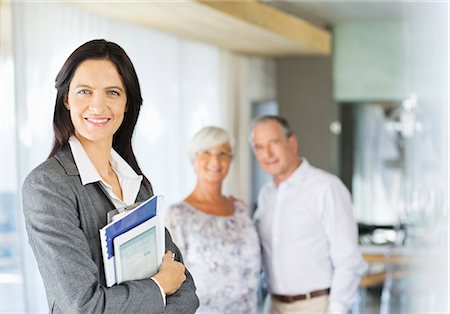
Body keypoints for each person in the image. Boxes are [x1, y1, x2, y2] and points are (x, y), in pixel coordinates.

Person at [22, 39, 199, 313]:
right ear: (67, 99)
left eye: (113, 92)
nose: (98, 105)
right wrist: (160, 285)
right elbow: (84, 307)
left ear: (127, 103)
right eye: (84, 91)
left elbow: (187, 293)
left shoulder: (137, 186)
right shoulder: (48, 186)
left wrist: (164, 286)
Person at [250, 115, 366, 314]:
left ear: (292, 142)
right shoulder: (265, 194)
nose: (267, 153)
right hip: (274, 306)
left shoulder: (326, 188)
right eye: (259, 147)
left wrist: (336, 309)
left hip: (316, 305)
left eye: (273, 143)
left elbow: (349, 261)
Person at [166, 126, 261, 314]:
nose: (215, 160)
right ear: (193, 158)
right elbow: (172, 279)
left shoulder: (240, 210)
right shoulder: (178, 215)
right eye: (206, 152)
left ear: (230, 159)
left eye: (223, 153)